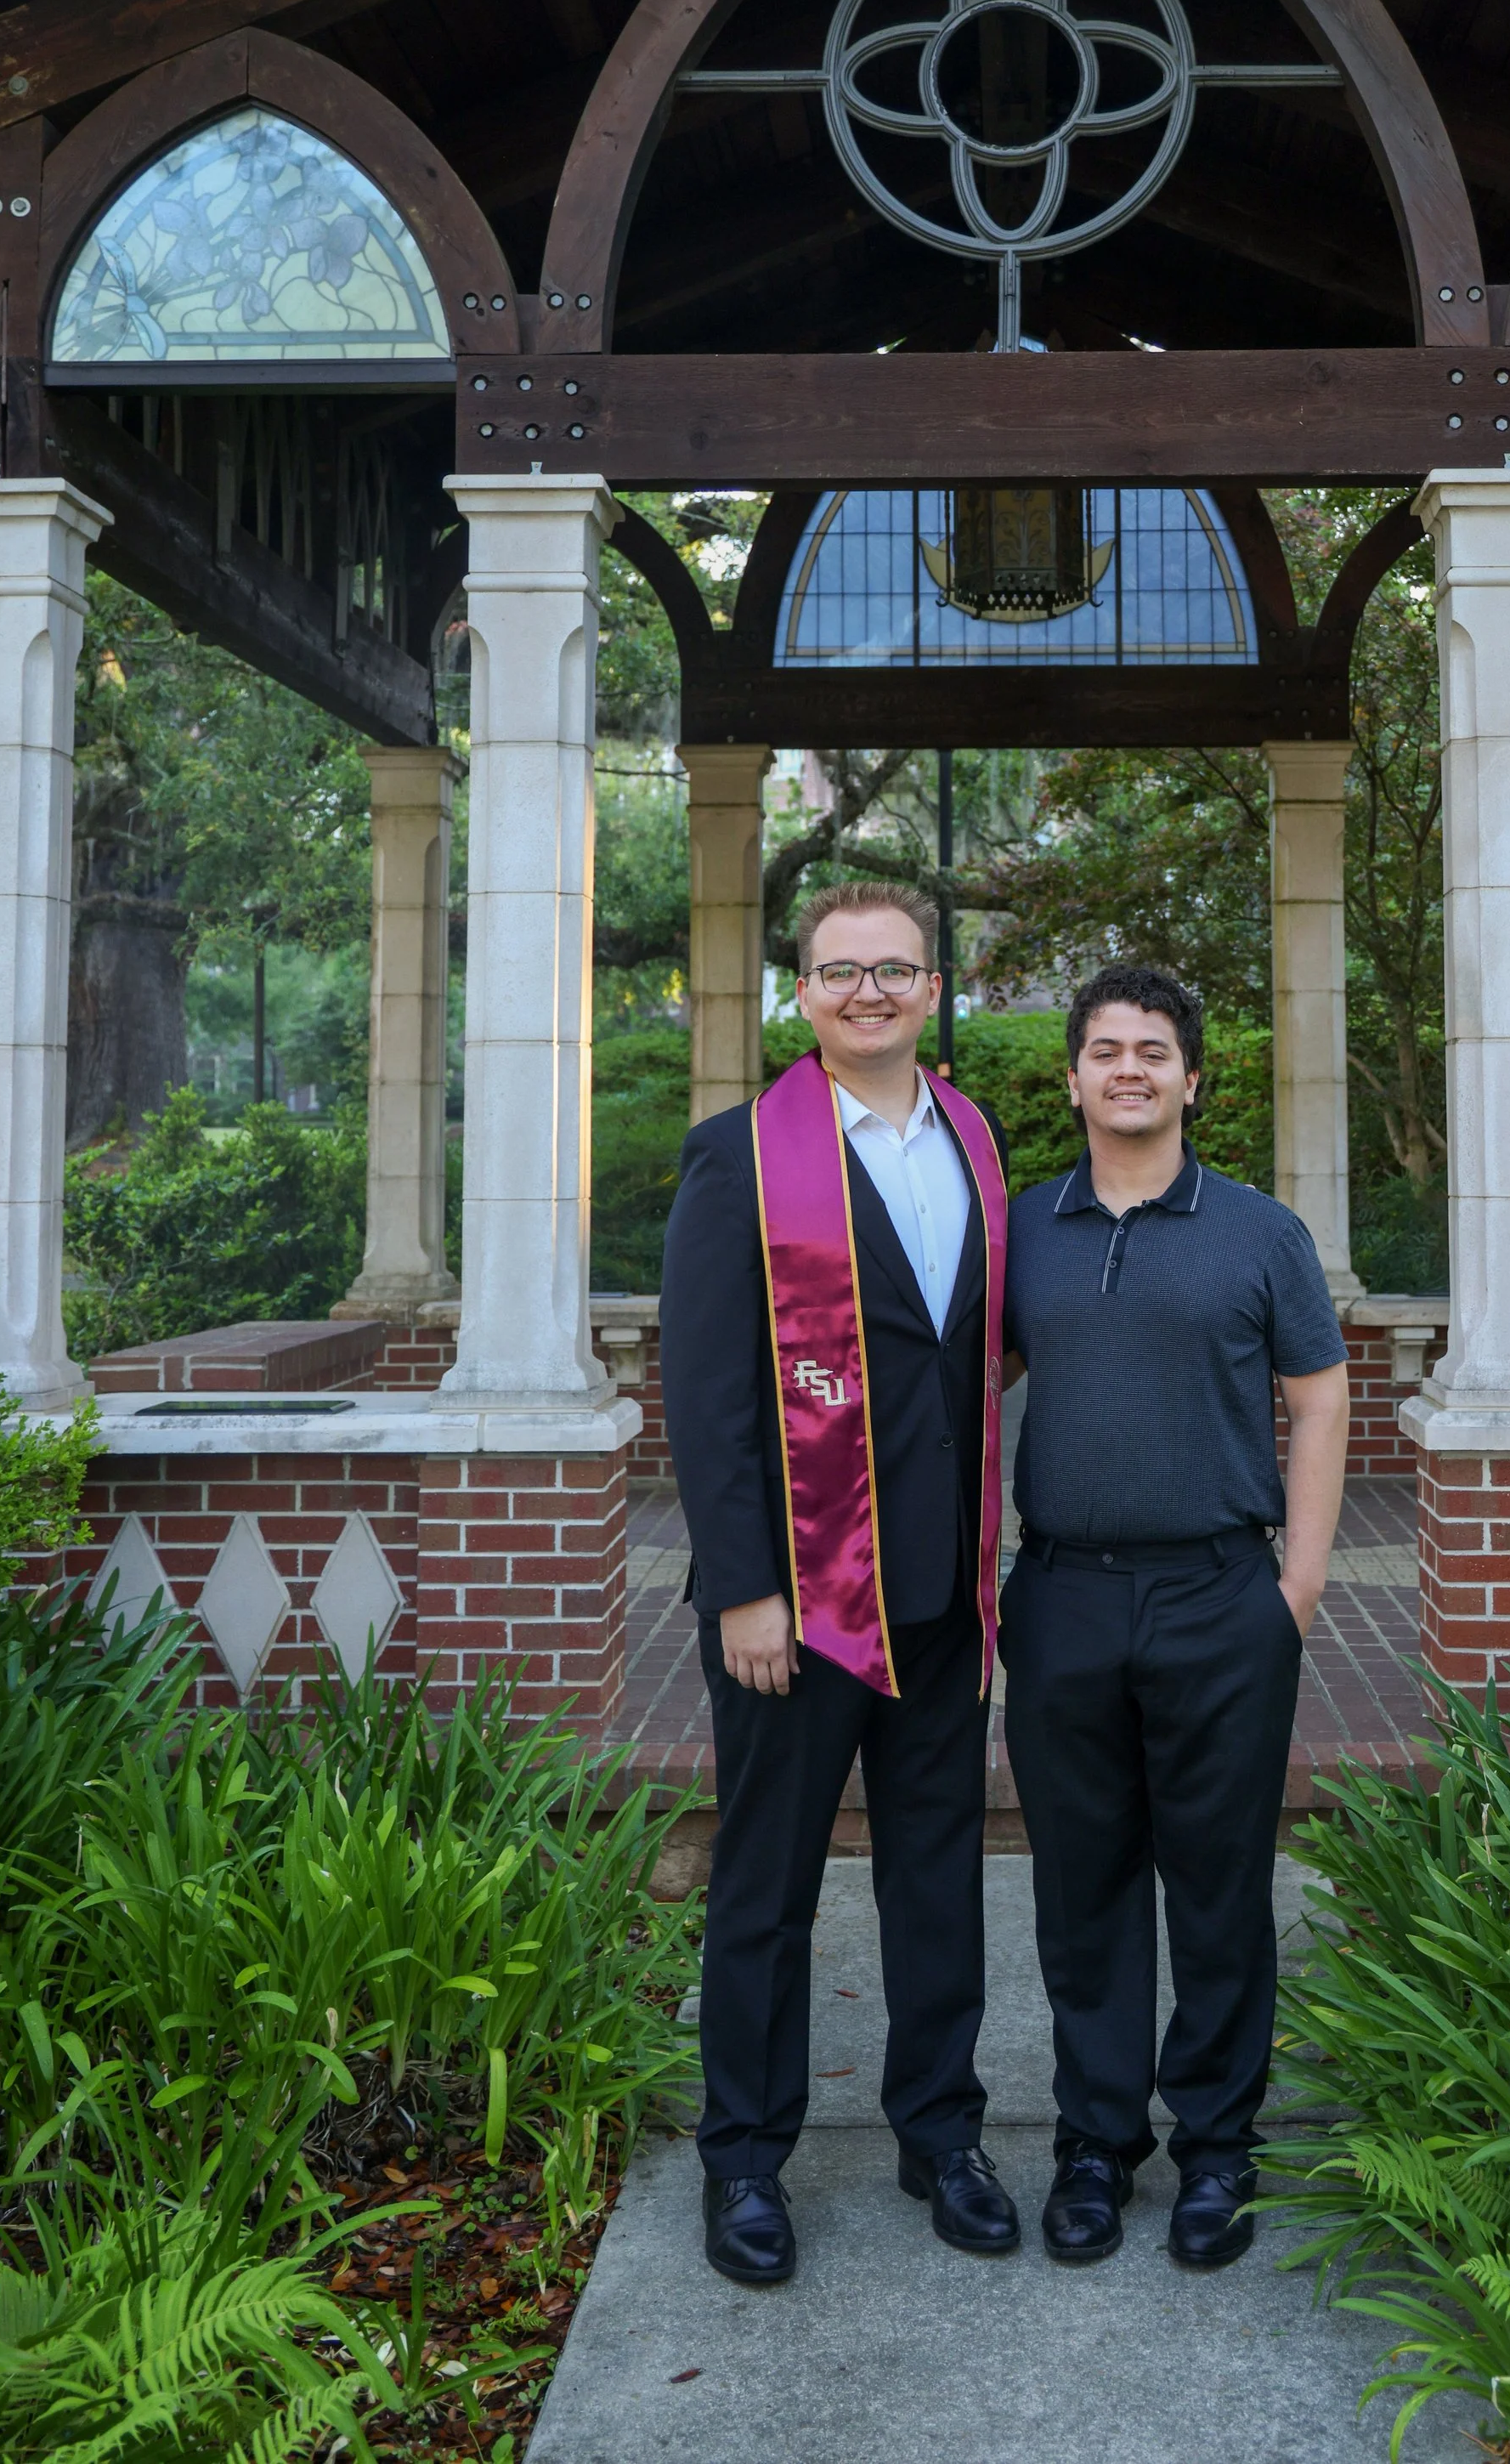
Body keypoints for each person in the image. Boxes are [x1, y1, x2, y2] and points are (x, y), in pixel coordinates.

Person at [660, 877, 1016, 2286]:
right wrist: (745, 1584)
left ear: (934, 990)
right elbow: (705, 1390)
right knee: (768, 1884)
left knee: (940, 1875)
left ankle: (941, 2131)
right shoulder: (737, 1157)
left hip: (938, 1594)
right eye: (839, 970)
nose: (868, 990)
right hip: (794, 1603)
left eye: (897, 969)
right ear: (799, 994)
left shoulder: (975, 1145)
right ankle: (745, 2157)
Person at [1000, 961, 1350, 2274]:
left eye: (1154, 1050)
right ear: (1076, 1077)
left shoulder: (1261, 1234)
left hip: (1222, 1598)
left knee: (1216, 1890)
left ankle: (1217, 2151)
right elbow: (966, 1392)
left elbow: (1318, 1398)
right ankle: (1095, 2149)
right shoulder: (1024, 1228)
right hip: (1064, 1600)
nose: (1130, 1069)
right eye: (1106, 1050)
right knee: (1082, 1891)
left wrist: (1299, 1584)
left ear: (1193, 1079)